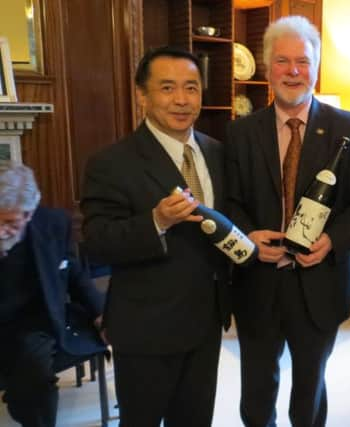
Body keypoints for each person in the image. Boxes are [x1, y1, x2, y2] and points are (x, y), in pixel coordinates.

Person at [225, 15, 350, 427]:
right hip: (259, 281)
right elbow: (230, 202)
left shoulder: (349, 127)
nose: (293, 71)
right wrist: (250, 237)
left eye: (303, 62)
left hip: (320, 280)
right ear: (268, 66)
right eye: (282, 61)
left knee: (310, 388)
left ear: (315, 67)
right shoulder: (241, 133)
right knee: (256, 387)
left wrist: (331, 241)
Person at [80, 46, 230, 426]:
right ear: (142, 95)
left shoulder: (217, 153)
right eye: (167, 88)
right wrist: (155, 221)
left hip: (206, 323)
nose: (181, 100)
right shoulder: (111, 162)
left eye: (191, 88)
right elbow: (97, 240)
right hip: (146, 328)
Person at [0, 160, 105, 427]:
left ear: (29, 214)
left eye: (10, 222)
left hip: (33, 322)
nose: (1, 231)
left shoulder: (53, 224)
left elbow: (75, 274)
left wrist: (100, 313)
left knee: (35, 379)